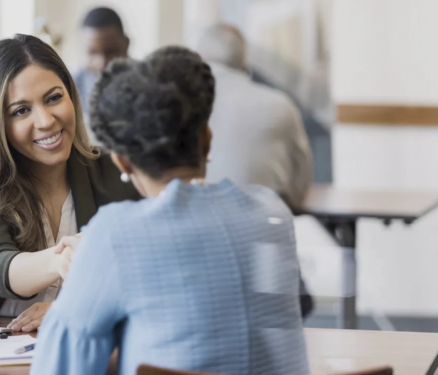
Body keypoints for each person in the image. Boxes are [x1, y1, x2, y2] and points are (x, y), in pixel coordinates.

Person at [31, 47, 309, 375]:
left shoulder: (115, 234)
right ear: (207, 138)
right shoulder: (270, 212)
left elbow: (61, 368)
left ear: (121, 160)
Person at [0, 35, 140, 332]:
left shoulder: (115, 171)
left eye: (54, 98)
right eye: (21, 111)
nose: (46, 120)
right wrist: (62, 260)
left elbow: (147, 275)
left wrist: (73, 308)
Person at [196, 24, 313, 209]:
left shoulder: (184, 105)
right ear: (245, 63)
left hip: (196, 221)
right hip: (266, 225)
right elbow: (300, 181)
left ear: (199, 59)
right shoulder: (281, 105)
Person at [73, 7, 130, 117]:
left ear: (126, 44)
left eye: (111, 52)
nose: (102, 63)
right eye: (92, 53)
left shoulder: (146, 84)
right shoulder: (73, 87)